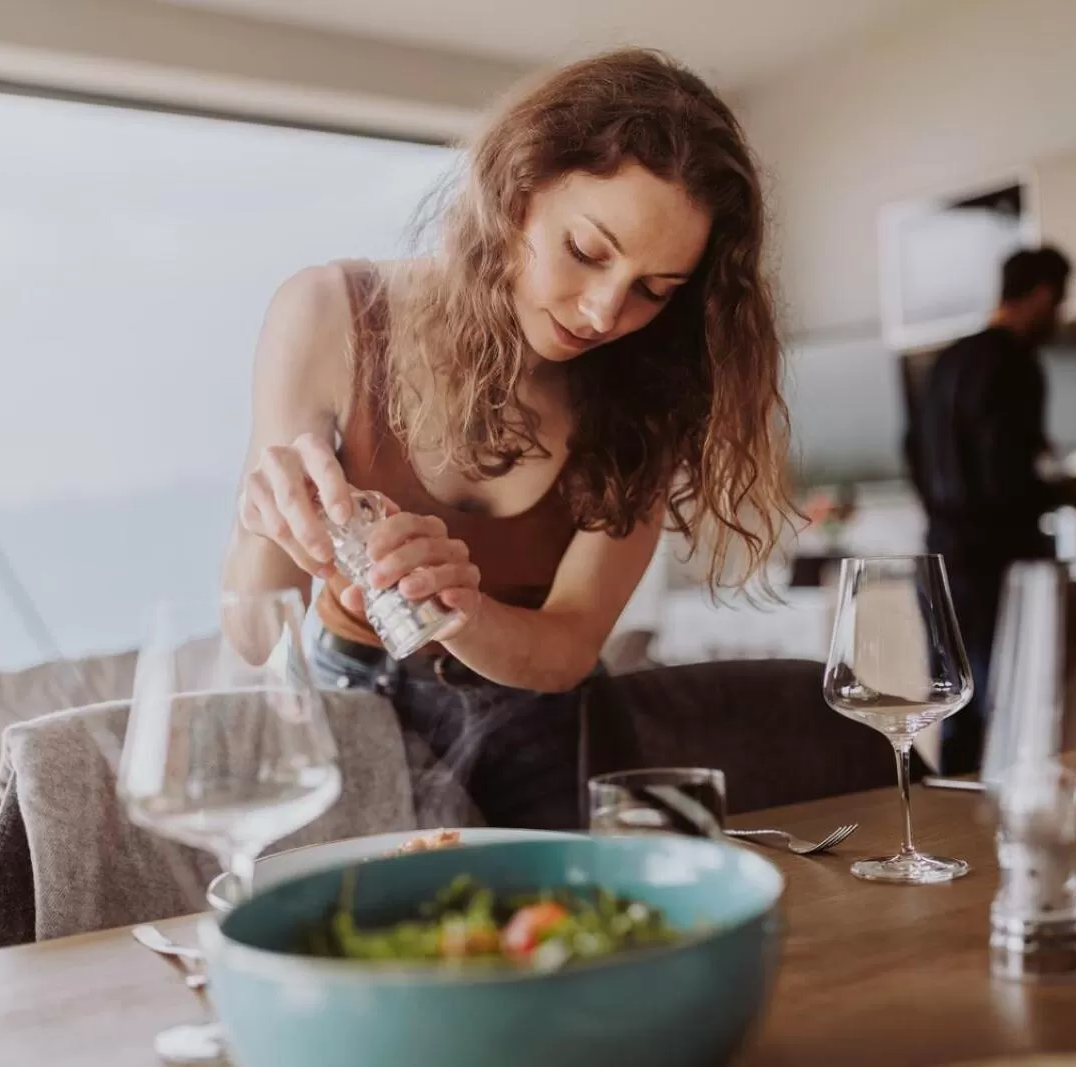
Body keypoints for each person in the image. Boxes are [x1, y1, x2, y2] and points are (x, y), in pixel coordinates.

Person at [222, 49, 792, 830]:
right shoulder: (330, 313)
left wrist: (458, 605)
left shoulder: (650, 397)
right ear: (517, 190)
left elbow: (567, 648)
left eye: (654, 291)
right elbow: (257, 634)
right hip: (350, 703)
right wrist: (264, 519)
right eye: (587, 252)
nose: (602, 312)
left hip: (542, 727)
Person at [909, 245, 1071, 774]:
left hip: (938, 557)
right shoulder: (1016, 363)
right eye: (1060, 301)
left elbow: (911, 447)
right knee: (1008, 710)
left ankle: (957, 831)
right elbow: (1009, 479)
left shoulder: (947, 360)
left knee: (957, 705)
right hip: (996, 564)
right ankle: (1001, 832)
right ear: (1043, 294)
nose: (1060, 315)